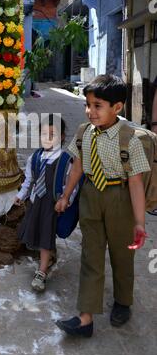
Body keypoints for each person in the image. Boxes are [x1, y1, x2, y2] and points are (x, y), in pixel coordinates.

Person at [55, 74, 150, 338]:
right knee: (91, 255)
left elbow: (135, 183)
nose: (90, 111)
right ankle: (85, 319)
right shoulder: (84, 132)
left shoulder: (129, 138)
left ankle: (123, 301)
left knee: (122, 256)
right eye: (87, 104)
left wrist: (140, 222)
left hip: (120, 200)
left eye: (97, 106)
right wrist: (66, 196)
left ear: (117, 107)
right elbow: (78, 166)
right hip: (91, 196)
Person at [15, 114, 66, 292]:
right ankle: (49, 255)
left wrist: (66, 200)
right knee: (38, 230)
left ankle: (42, 271)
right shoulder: (35, 157)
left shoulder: (66, 160)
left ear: (63, 137)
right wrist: (21, 195)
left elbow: (70, 186)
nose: (47, 138)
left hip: (53, 205)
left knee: (46, 234)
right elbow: (29, 180)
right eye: (44, 134)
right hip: (36, 201)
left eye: (52, 134)